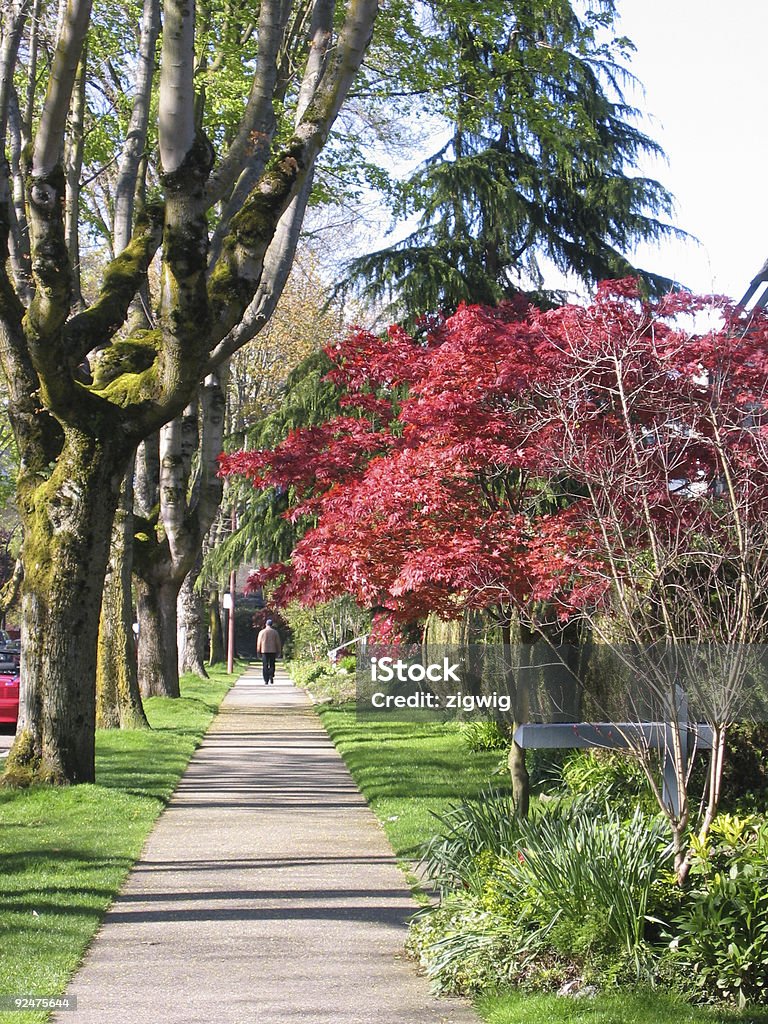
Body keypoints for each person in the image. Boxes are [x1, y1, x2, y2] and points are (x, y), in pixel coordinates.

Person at [256, 618, 282, 684]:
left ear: (266, 624)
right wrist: (279, 650)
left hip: (264, 650)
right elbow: (278, 642)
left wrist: (258, 651)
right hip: (273, 650)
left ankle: (266, 679)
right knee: (272, 664)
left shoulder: (261, 632)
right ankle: (271, 675)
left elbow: (259, 642)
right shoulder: (275, 632)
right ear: (272, 624)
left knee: (265, 665)